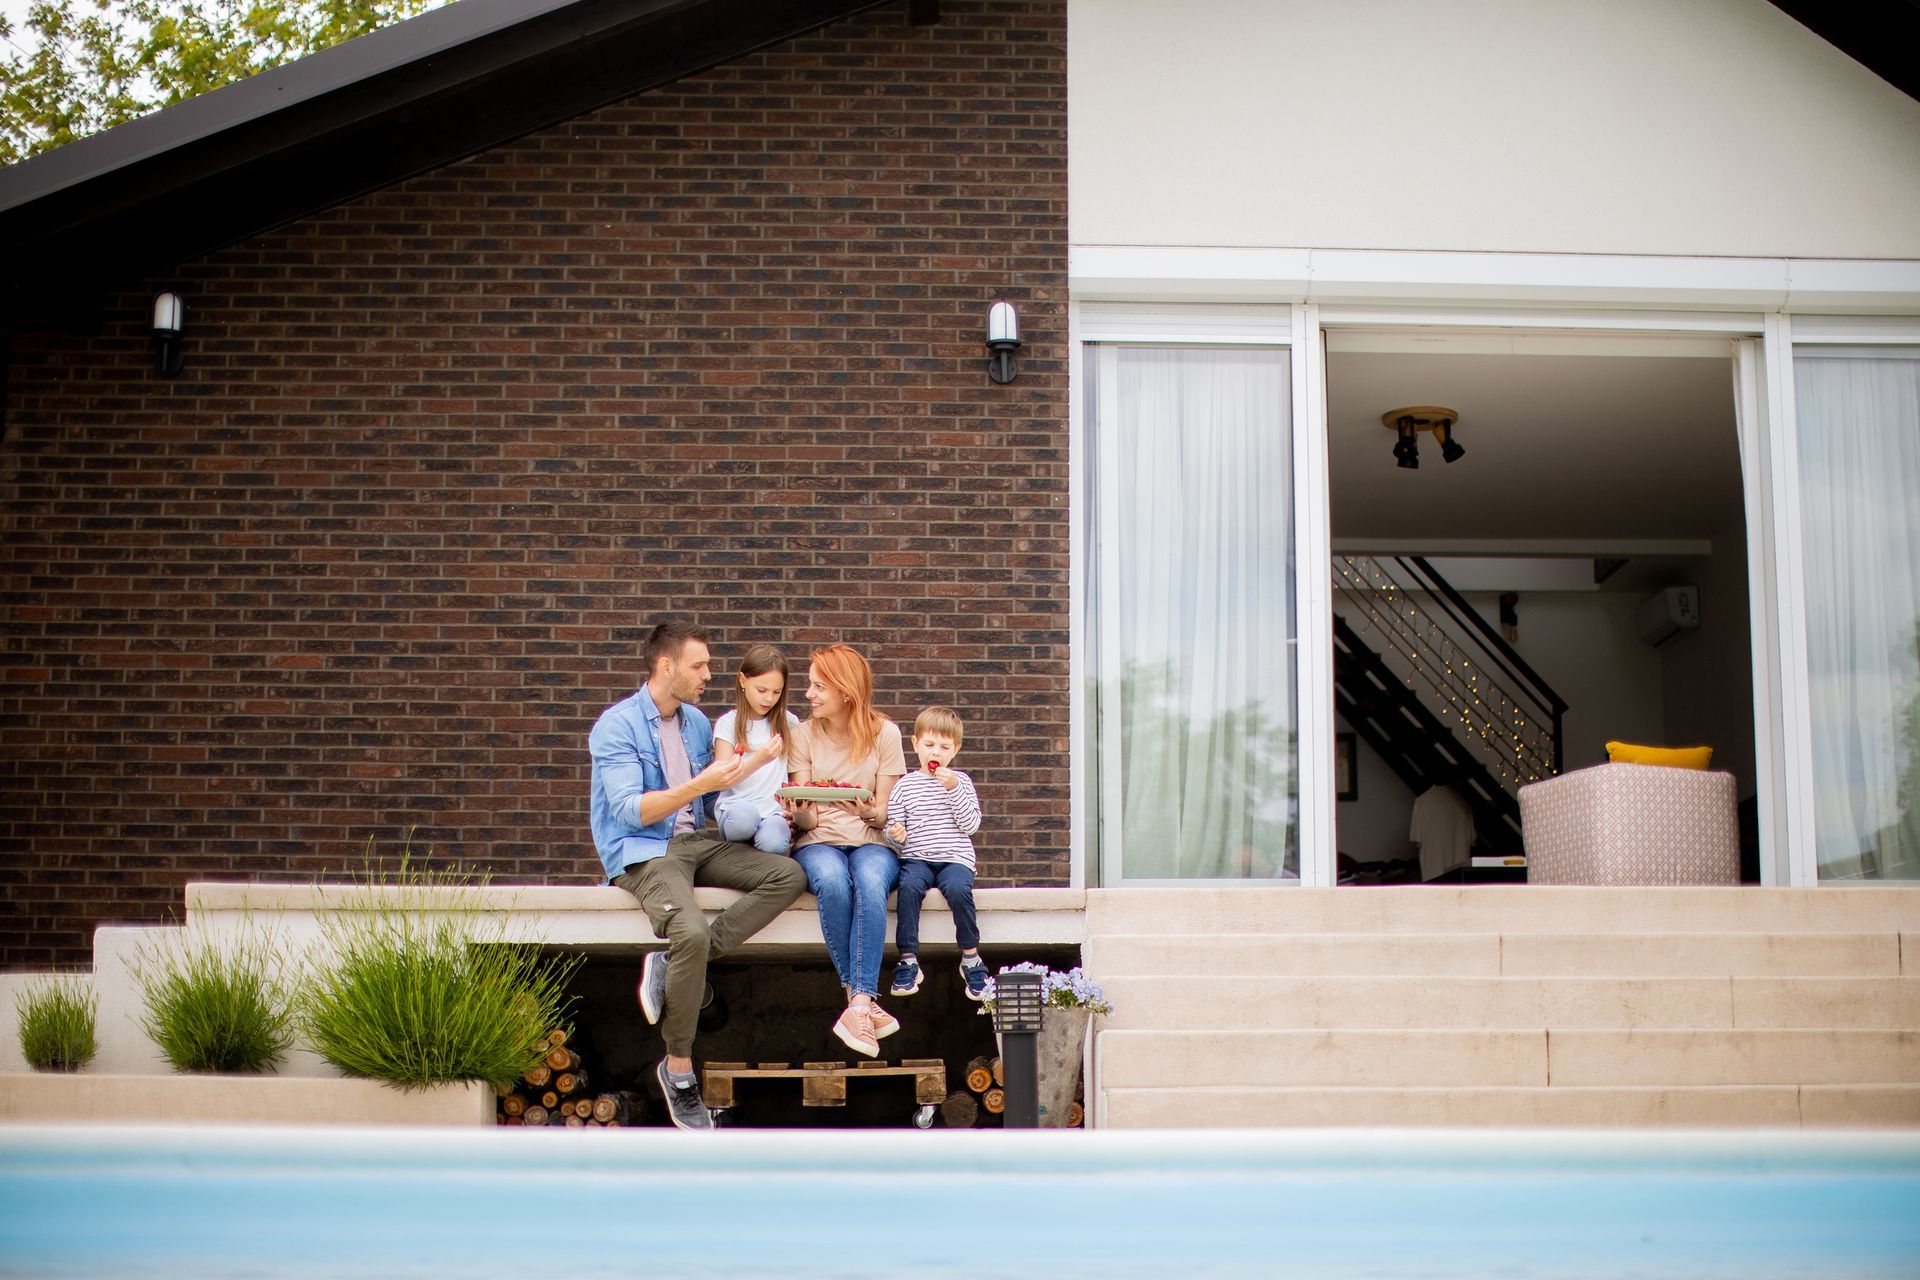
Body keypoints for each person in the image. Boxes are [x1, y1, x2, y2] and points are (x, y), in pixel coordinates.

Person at [588, 620, 808, 1130]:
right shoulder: (616, 726)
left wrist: (774, 800)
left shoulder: (693, 723)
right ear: (667, 666)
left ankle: (674, 965)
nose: (710, 674)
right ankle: (680, 1069)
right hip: (645, 849)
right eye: (699, 665)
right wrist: (703, 784)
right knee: (688, 931)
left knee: (787, 876)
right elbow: (629, 812)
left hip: (696, 843)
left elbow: (718, 797)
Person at [783, 643, 905, 1058]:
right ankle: (863, 1001)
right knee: (834, 882)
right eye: (810, 685)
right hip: (818, 842)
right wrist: (801, 816)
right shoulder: (801, 735)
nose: (809, 694)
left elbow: (887, 813)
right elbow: (808, 817)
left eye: (819, 687)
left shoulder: (885, 734)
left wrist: (873, 812)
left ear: (846, 692)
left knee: (869, 881)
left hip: (872, 842)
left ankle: (857, 1003)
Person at [885, 706, 988, 1001]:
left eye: (944, 747)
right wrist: (895, 835)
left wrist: (954, 788)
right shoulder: (904, 786)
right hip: (916, 857)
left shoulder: (961, 782)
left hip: (954, 858)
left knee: (958, 890)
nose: (936, 752)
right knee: (908, 887)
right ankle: (908, 959)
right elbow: (893, 828)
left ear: (955, 749)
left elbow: (971, 825)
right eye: (929, 745)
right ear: (915, 744)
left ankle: (971, 958)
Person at [712, 644, 800, 854]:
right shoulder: (728, 723)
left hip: (773, 812)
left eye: (776, 692)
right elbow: (721, 778)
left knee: (774, 841)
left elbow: (795, 779)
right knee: (744, 818)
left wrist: (795, 813)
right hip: (736, 808)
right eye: (761, 690)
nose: (769, 699)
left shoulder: (790, 723)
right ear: (743, 681)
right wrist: (759, 759)